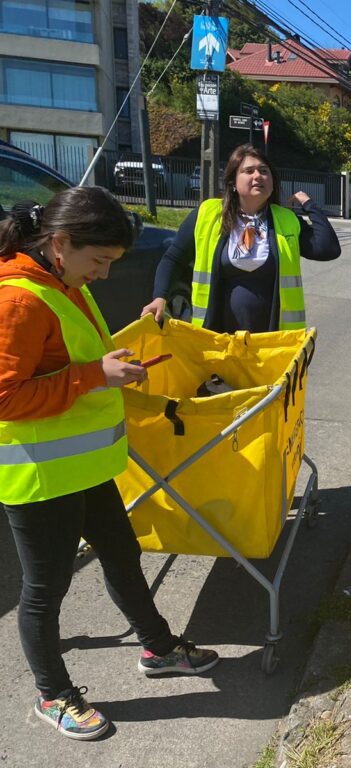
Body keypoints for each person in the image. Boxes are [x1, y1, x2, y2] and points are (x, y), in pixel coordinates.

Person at [0, 187, 219, 742]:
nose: (102, 275)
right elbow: (4, 397)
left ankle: (160, 648)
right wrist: (95, 376)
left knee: (122, 555)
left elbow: (69, 359)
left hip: (86, 466)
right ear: (61, 242)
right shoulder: (19, 299)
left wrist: (106, 367)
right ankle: (53, 695)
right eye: (98, 261)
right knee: (45, 591)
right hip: (40, 476)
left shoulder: (61, 280)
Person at [141, 144, 340, 332]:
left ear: (272, 182)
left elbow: (327, 248)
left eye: (264, 171)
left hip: (272, 343)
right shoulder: (207, 214)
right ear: (233, 182)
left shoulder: (287, 220)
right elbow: (173, 258)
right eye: (249, 171)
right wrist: (160, 297)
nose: (258, 176)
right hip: (217, 339)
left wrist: (309, 205)